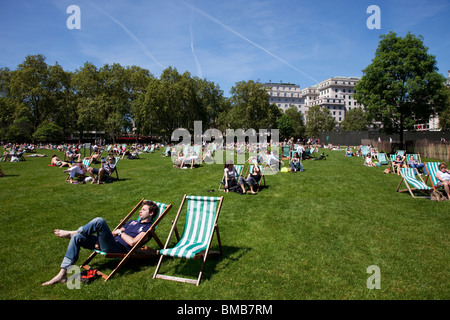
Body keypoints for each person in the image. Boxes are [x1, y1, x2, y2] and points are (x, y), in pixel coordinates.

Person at [41, 201, 159, 286]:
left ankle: (73, 232)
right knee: (77, 237)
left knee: (99, 221)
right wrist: (106, 238)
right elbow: (113, 233)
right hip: (108, 242)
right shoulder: (132, 222)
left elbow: (133, 243)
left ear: (151, 213)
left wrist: (120, 233)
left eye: (144, 209)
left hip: (117, 248)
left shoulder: (148, 229)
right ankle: (62, 274)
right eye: (141, 209)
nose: (140, 211)